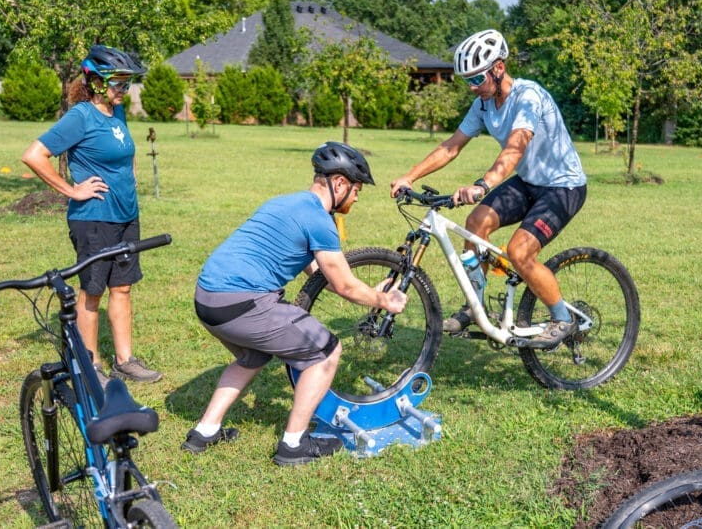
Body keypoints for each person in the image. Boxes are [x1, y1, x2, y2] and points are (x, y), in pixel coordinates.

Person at [184, 142, 407, 465]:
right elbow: (343, 285)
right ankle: (293, 444)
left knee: (253, 355)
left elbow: (323, 275)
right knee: (326, 352)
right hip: (242, 302)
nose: (357, 197)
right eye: (357, 189)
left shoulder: (287, 204)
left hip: (207, 300)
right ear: (340, 183)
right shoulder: (319, 220)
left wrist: (369, 291)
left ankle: (204, 431)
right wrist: (385, 300)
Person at [389, 29, 587, 349]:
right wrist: (409, 176)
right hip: (528, 182)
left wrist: (483, 185)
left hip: (562, 186)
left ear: (498, 68)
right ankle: (474, 306)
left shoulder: (527, 97)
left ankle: (563, 318)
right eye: (466, 80)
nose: (471, 86)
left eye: (477, 78)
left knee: (520, 252)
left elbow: (514, 149)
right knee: (476, 224)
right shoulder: (483, 104)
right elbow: (452, 146)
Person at [22, 45, 162, 385]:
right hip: (94, 218)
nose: (123, 90)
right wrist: (73, 190)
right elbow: (34, 155)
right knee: (93, 290)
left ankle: (125, 360)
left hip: (126, 215)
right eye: (117, 83)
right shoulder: (80, 116)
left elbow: (126, 152)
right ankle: (90, 365)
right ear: (96, 81)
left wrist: (131, 176)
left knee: (123, 288)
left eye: (127, 83)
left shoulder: (118, 113)